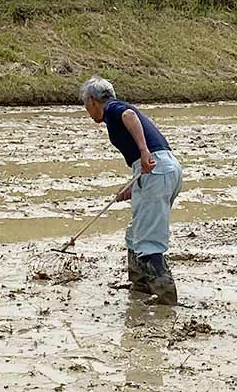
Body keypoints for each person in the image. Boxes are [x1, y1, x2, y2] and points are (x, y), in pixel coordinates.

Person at [80, 76, 182, 305]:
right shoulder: (113, 112)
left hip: (156, 169)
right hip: (162, 169)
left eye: (86, 106)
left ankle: (167, 299)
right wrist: (131, 186)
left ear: (92, 101)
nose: (88, 111)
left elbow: (130, 117)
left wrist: (144, 153)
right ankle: (141, 286)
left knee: (148, 239)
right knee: (134, 233)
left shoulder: (115, 108)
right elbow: (142, 160)